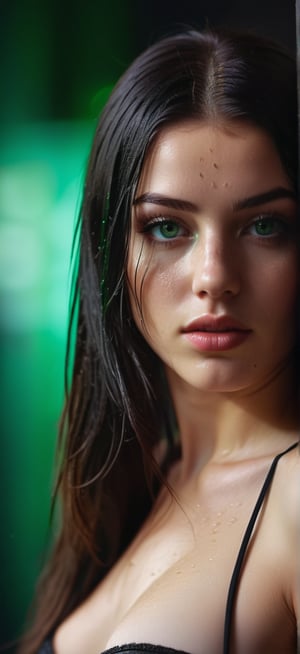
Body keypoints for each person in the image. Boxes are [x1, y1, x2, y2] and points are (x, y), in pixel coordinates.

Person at [21, 27, 299, 654]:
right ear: (112, 249)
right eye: (168, 227)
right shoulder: (133, 480)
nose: (215, 279)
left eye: (264, 225)